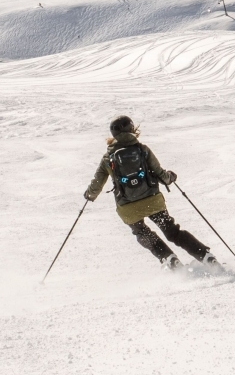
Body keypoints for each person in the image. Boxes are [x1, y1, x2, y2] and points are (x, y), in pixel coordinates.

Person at [83, 115, 216, 269]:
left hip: (128, 208)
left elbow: (97, 184)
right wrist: (170, 177)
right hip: (152, 201)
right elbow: (160, 174)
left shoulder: (108, 158)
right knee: (172, 232)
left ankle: (170, 260)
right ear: (132, 129)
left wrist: (89, 195)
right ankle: (206, 257)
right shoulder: (142, 150)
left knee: (142, 233)